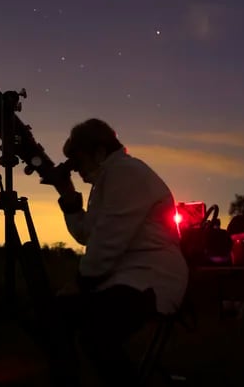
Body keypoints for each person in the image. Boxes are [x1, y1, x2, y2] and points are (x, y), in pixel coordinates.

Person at [46, 118, 189, 387]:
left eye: (78, 160)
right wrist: (66, 193)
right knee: (59, 316)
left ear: (100, 152)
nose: (77, 170)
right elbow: (87, 234)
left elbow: (108, 241)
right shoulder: (108, 181)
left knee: (96, 335)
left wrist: (80, 283)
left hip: (151, 279)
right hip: (127, 276)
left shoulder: (126, 173)